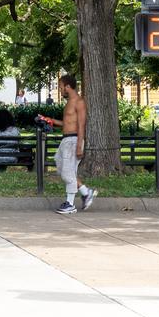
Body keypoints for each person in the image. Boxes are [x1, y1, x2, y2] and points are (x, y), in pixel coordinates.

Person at [53, 72, 97, 214]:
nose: (60, 90)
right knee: (60, 166)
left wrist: (79, 145)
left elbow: (81, 125)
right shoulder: (68, 104)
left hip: (73, 140)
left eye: (60, 87)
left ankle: (70, 204)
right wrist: (50, 120)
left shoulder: (79, 102)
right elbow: (66, 123)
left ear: (68, 86)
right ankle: (85, 192)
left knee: (68, 172)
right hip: (66, 140)